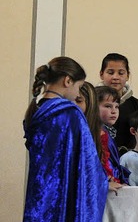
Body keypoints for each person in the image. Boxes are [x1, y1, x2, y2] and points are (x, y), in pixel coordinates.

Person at [23, 56, 108, 221]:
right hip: (63, 193)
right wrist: (102, 181)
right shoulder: (70, 114)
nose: (77, 93)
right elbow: (88, 162)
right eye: (79, 86)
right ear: (68, 81)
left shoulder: (36, 110)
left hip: (39, 193)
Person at [99, 53, 138, 154]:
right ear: (101, 74)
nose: (115, 77)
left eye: (121, 73)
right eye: (110, 72)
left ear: (127, 76)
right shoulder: (89, 103)